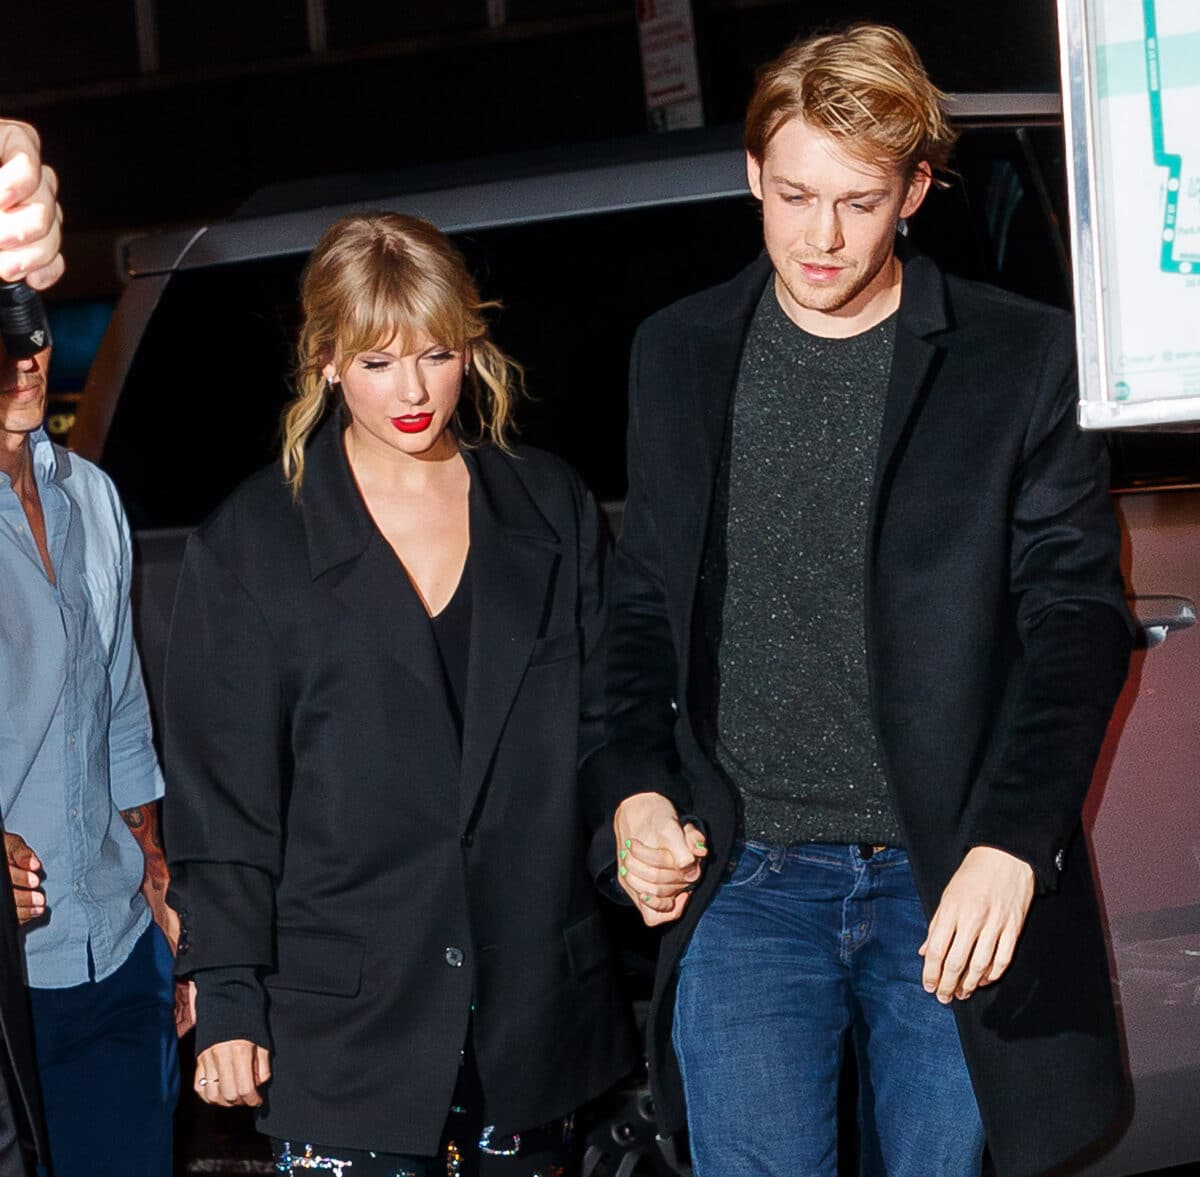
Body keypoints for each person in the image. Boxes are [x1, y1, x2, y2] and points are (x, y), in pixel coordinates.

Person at [583, 23, 1134, 1177]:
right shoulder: (676, 352)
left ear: (916, 190)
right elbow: (640, 608)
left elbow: (1074, 622)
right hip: (749, 876)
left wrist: (1011, 842)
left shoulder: (1015, 360)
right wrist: (634, 790)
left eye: (859, 200)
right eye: (793, 195)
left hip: (939, 880)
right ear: (751, 175)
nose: (821, 236)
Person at [163, 212, 637, 1176]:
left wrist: (636, 830)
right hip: (347, 1036)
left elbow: (601, 730)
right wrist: (227, 998)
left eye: (437, 353)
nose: (414, 391)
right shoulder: (251, 544)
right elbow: (225, 807)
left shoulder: (550, 508)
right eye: (379, 362)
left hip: (537, 1024)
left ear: (472, 344)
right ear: (328, 361)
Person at [0, 157, 184, 1176]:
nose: (26, 350)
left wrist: (160, 888)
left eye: (37, 319)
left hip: (116, 954)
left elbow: (118, 710)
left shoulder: (93, 497)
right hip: (8, 988)